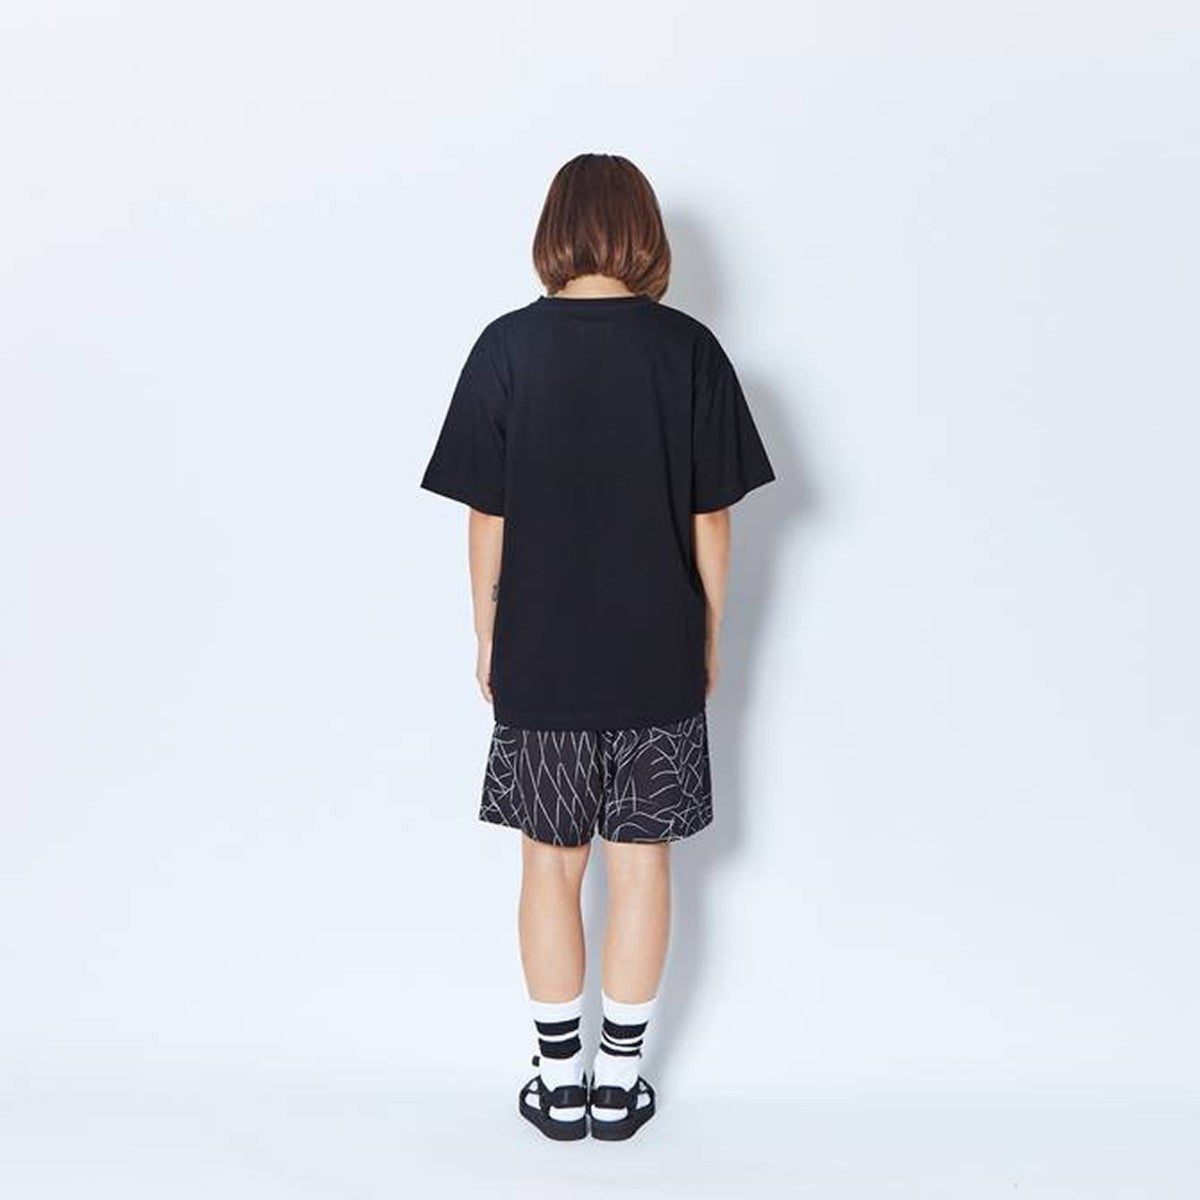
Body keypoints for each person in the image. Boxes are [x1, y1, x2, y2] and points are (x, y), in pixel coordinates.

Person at [419, 153, 775, 1141]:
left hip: (540, 657)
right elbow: (712, 521)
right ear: (644, 234)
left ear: (555, 232)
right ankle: (618, 1086)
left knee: (550, 866)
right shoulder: (689, 350)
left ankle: (557, 1078)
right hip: (656, 655)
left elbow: (486, 517)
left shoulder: (505, 348)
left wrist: (488, 636)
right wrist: (707, 635)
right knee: (643, 867)